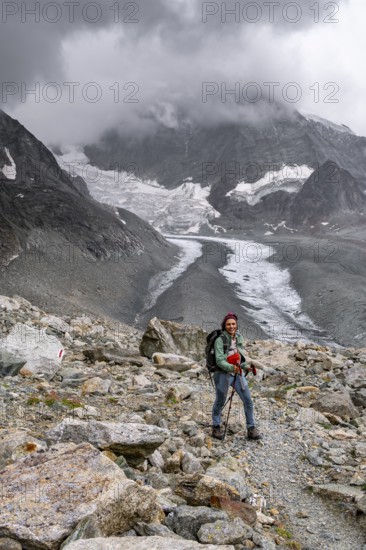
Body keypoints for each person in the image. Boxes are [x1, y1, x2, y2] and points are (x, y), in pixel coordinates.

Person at [211, 312, 262, 441]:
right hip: (222, 374)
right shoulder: (219, 340)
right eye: (228, 324)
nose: (231, 326)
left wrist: (245, 367)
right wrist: (231, 367)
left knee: (248, 400)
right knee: (220, 400)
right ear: (224, 325)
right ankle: (216, 426)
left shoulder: (238, 338)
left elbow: (240, 358)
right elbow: (219, 360)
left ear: (236, 325)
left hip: (237, 374)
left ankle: (251, 428)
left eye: (233, 324)